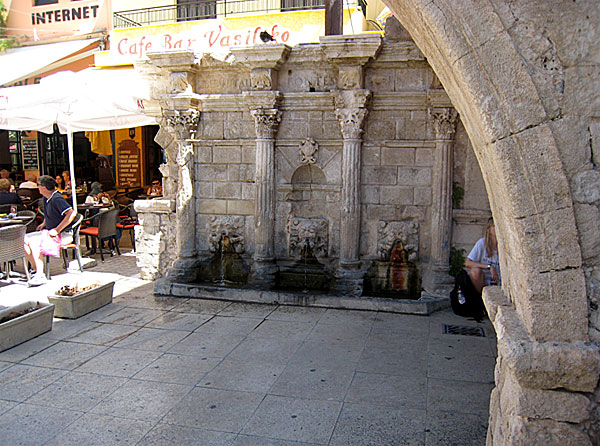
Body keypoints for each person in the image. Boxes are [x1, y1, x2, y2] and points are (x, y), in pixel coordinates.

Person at [24, 175, 75, 286]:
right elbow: (50, 214)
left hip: (63, 234)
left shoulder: (57, 198)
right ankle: (35, 269)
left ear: (44, 187)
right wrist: (44, 223)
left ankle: (40, 274)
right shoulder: (46, 198)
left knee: (34, 242)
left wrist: (57, 230)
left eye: (38, 185)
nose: (37, 187)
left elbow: (72, 213)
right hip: (49, 231)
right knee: (24, 239)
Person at [465, 218, 501, 294]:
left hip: (499, 280)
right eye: (494, 226)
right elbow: (468, 262)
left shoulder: (504, 245)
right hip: (484, 279)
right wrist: (489, 266)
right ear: (488, 229)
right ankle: (480, 298)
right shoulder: (482, 243)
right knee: (475, 271)